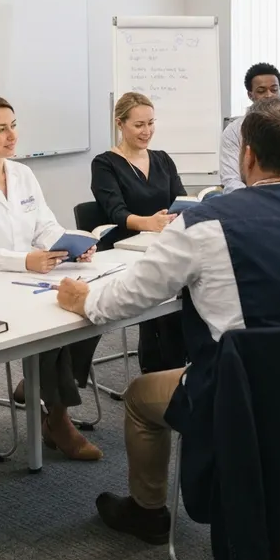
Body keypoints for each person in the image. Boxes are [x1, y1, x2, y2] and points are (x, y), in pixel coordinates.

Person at [54, 98, 280, 553]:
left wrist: (84, 299)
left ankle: (147, 512)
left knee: (138, 397)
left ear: (247, 155)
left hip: (242, 396)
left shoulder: (203, 225)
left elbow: (127, 298)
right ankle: (279, 515)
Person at [0, 94, 102, 461]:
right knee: (54, 319)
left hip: (31, 277)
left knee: (92, 305)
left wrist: (70, 245)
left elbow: (44, 225)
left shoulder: (22, 173)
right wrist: (25, 261)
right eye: (0, 129)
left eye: (13, 126)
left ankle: (42, 387)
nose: (12, 136)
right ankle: (58, 420)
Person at [90, 91, 186, 373]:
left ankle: (175, 371)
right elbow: (115, 212)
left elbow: (179, 198)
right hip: (124, 247)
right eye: (139, 125)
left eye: (151, 123)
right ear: (120, 124)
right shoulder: (104, 163)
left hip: (162, 242)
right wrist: (149, 223)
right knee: (163, 298)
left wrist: (179, 214)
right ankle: (161, 376)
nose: (147, 131)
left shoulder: (162, 159)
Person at [218, 62, 280, 193]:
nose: (269, 95)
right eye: (261, 91)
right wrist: (262, 197)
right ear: (250, 95)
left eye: (274, 89)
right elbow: (231, 180)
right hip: (249, 201)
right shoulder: (233, 131)